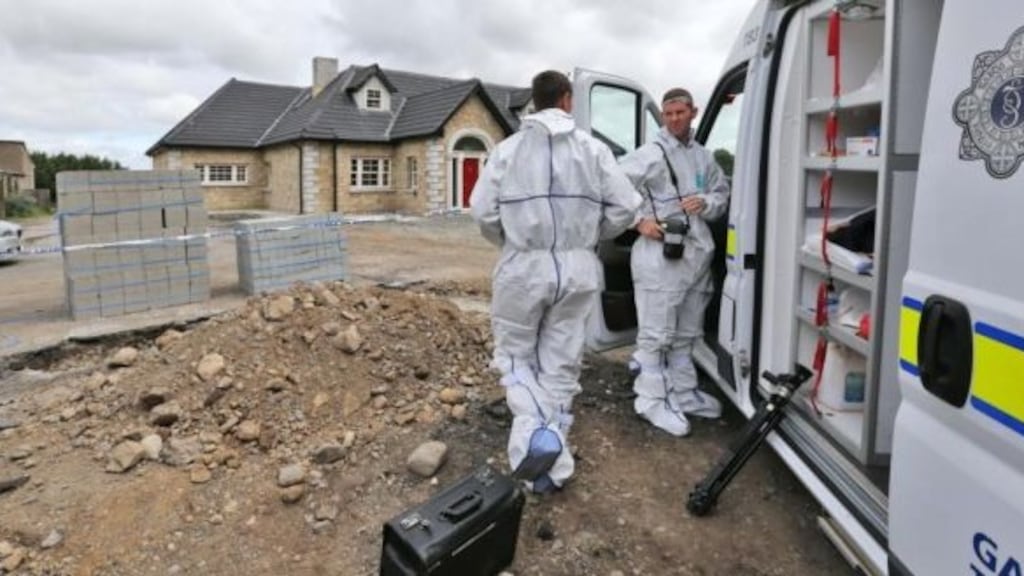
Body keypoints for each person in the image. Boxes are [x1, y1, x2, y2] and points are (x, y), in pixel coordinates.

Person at [470, 70, 642, 493]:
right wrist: (588, 237)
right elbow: (626, 207)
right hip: (578, 268)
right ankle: (552, 457)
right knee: (561, 361)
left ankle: (537, 443)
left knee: (515, 359)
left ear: (534, 100)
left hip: (523, 268)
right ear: (567, 100)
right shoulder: (595, 149)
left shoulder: (508, 151)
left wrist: (513, 243)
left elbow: (482, 213)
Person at [618, 87, 730, 437]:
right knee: (655, 334)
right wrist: (639, 222)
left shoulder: (704, 157)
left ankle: (682, 392)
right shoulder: (650, 154)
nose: (674, 119)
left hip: (696, 253)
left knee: (686, 333)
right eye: (668, 114)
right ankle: (651, 401)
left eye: (680, 112)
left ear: (693, 112)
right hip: (660, 256)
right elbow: (612, 186)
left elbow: (721, 194)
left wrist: (706, 203)